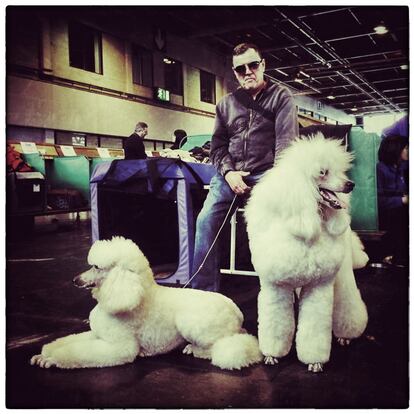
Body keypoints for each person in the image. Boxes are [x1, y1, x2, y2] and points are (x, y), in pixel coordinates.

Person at [191, 43, 299, 291]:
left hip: (268, 174)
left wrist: (275, 182)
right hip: (231, 174)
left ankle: (282, 286)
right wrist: (229, 173)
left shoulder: (281, 96)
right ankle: (203, 293)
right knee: (205, 220)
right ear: (234, 72)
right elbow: (217, 147)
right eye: (241, 69)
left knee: (282, 223)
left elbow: (287, 144)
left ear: (263, 65)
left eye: (253, 65)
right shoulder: (225, 104)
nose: (248, 71)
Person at [376, 134, 409, 267]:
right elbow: (378, 201)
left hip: (398, 211)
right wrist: (402, 200)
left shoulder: (400, 167)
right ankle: (398, 258)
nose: (408, 151)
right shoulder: (380, 169)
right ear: (395, 150)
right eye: (406, 148)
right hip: (387, 215)